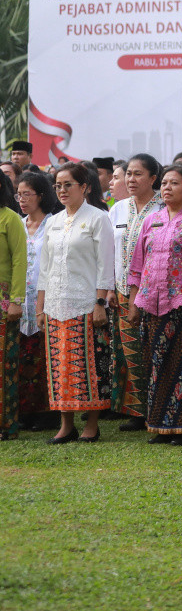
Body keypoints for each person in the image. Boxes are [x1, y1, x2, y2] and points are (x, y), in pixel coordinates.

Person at [127, 165, 182, 445]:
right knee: (156, 365)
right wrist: (132, 304)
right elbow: (137, 266)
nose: (167, 188)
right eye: (164, 183)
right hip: (151, 305)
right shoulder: (151, 220)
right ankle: (159, 425)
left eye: (174, 183)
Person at [37, 163, 114, 443]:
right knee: (60, 365)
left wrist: (100, 302)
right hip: (56, 303)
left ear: (85, 187)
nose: (62, 190)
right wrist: (40, 307)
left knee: (88, 364)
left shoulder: (97, 218)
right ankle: (65, 425)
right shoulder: (54, 220)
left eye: (68, 184)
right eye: (58, 185)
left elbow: (106, 265)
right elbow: (45, 268)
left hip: (85, 303)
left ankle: (91, 425)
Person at [108, 153, 163, 429]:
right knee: (130, 353)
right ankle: (139, 411)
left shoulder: (164, 209)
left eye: (138, 174)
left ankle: (158, 409)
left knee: (153, 350)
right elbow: (108, 251)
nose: (131, 179)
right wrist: (108, 287)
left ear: (153, 178)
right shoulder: (117, 208)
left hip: (155, 294)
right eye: (128, 173)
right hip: (121, 291)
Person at [17, 172, 55, 430]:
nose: (21, 199)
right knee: (22, 356)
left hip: (47, 299)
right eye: (18, 194)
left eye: (27, 194)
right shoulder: (17, 224)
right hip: (20, 303)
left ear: (41, 195)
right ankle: (24, 411)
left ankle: (47, 412)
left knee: (44, 357)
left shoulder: (54, 225)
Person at [0, 173, 25, 439]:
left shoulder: (10, 218)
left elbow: (20, 261)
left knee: (3, 365)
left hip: (4, 301)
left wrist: (16, 301)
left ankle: (7, 425)